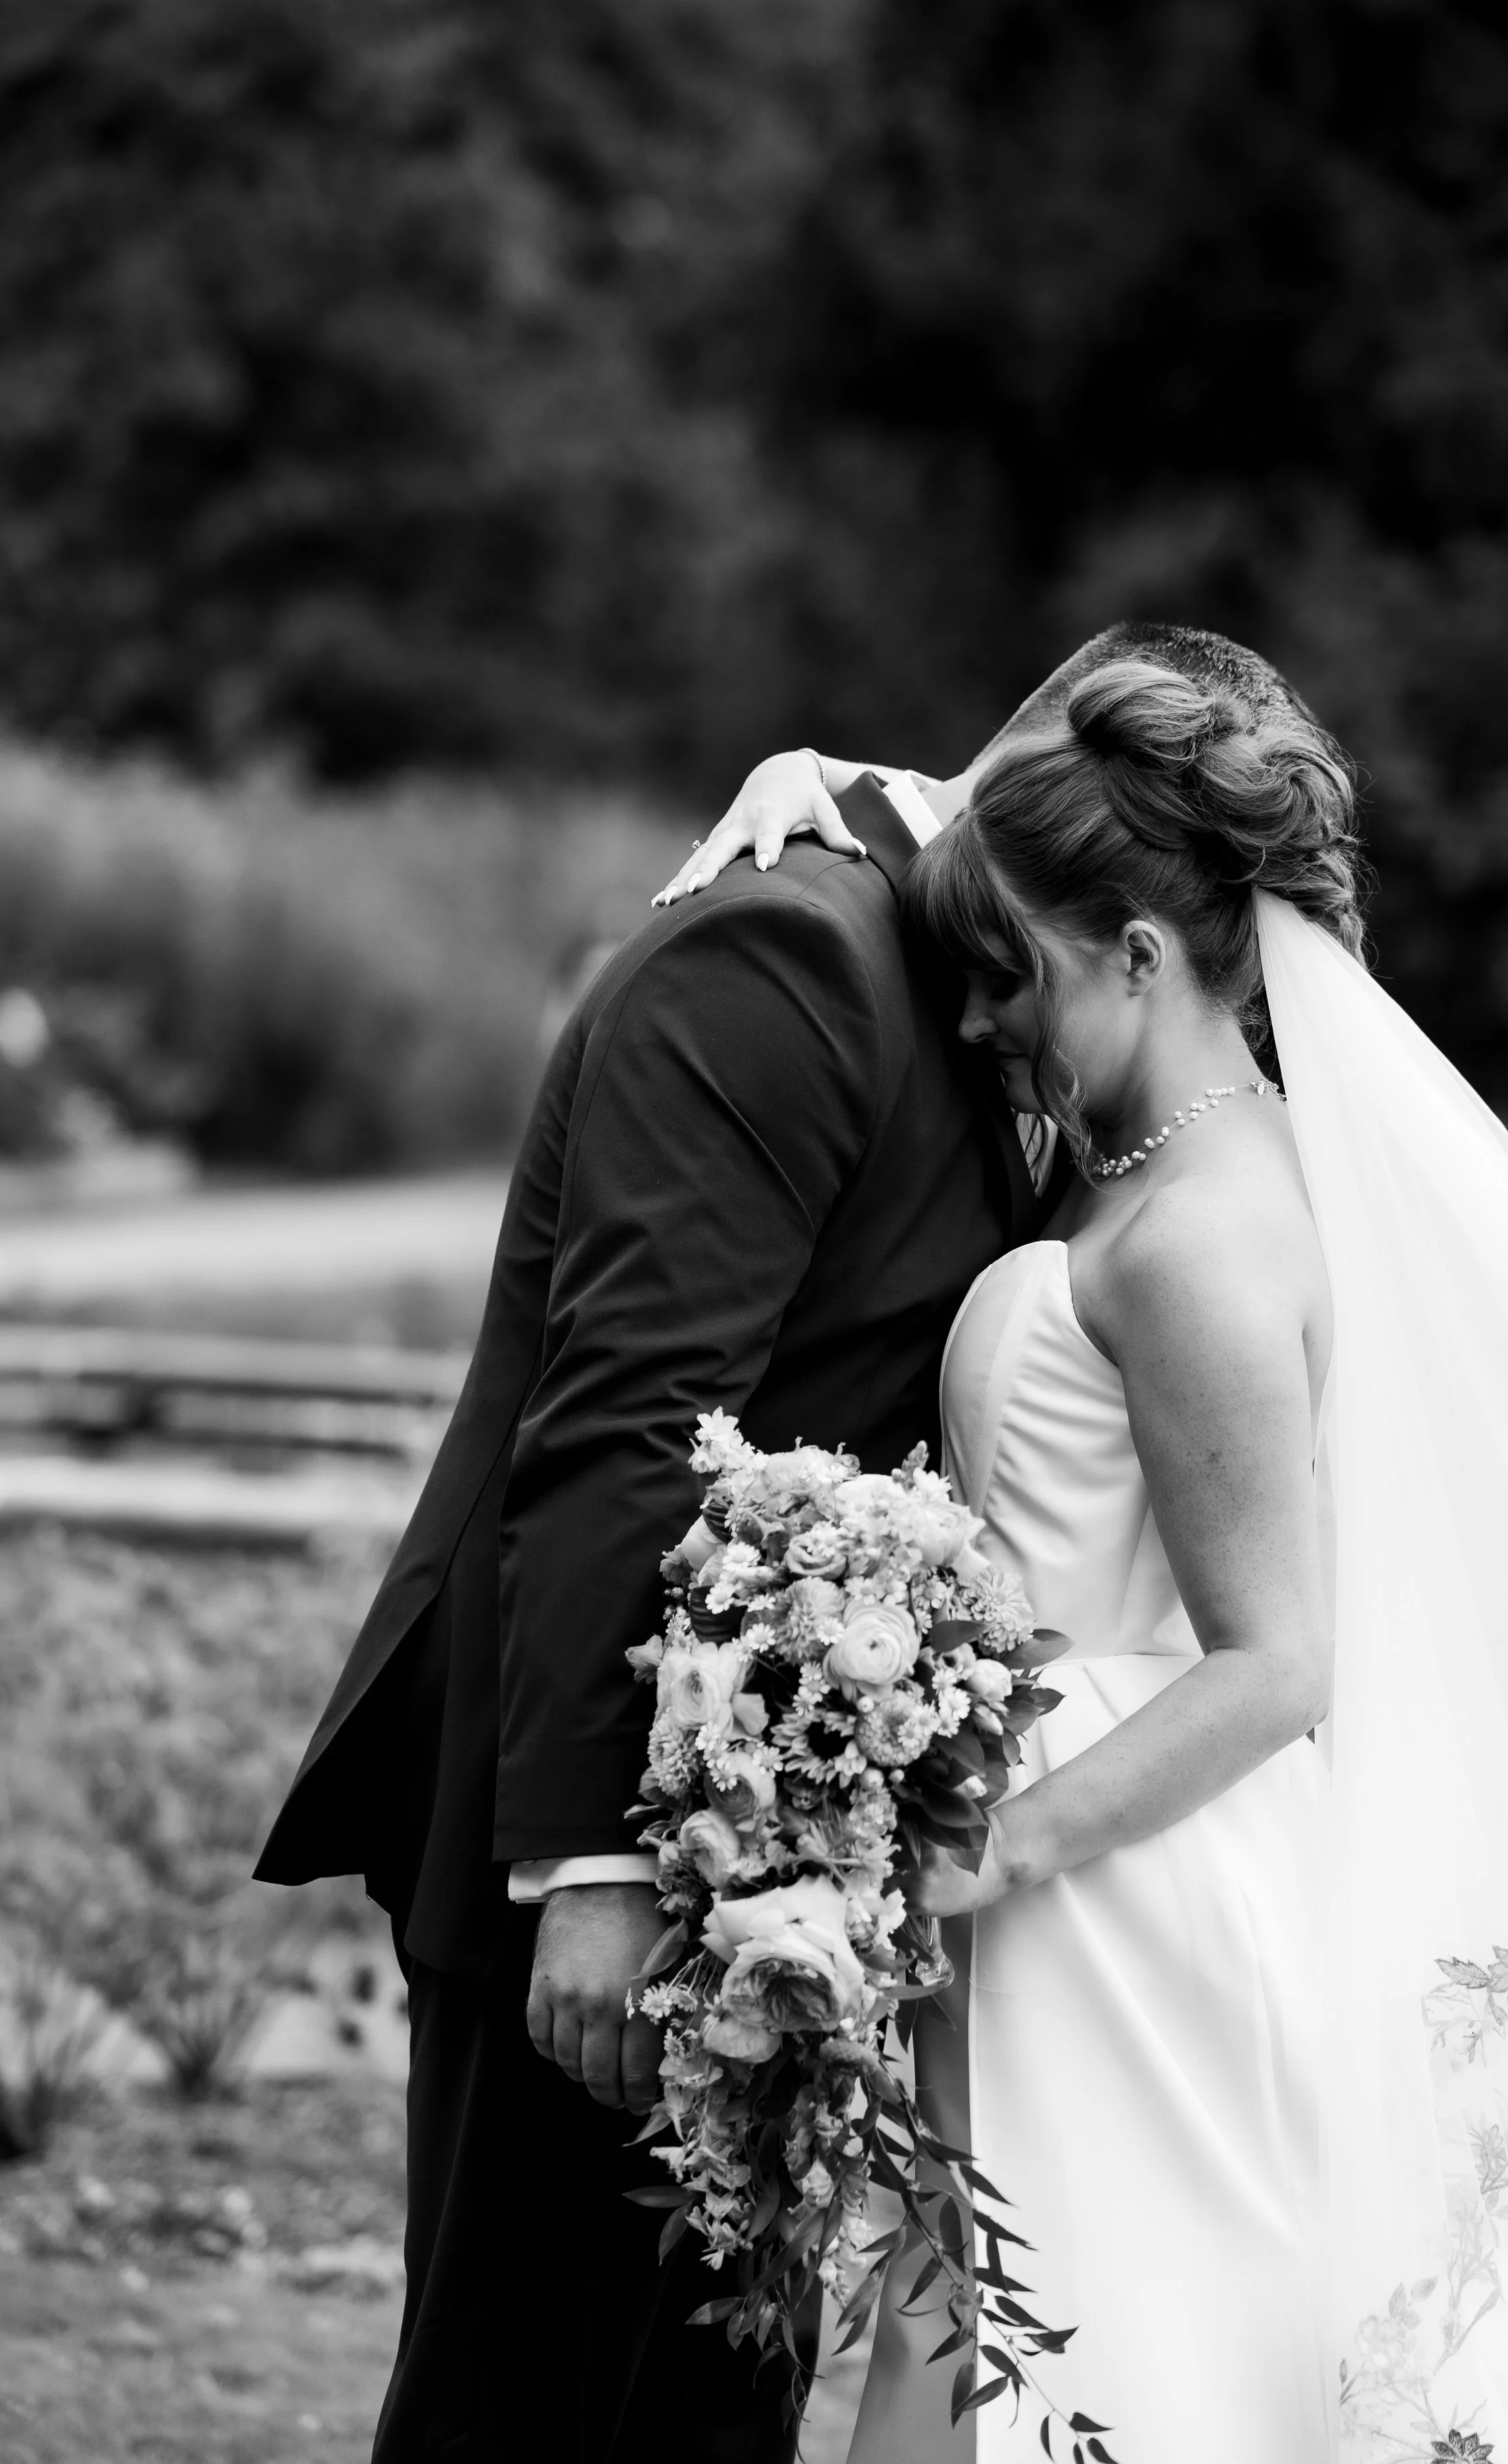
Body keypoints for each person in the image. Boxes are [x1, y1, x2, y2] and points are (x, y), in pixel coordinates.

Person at [690, 627, 1508, 2461]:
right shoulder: (1143, 1150)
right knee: (983, 2342)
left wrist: (998, 1848)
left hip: (1130, 1884)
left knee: (1113, 2356)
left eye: (1004, 983)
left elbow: (1278, 1662)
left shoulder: (1201, 1234)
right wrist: (846, 795)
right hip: (1061, 1857)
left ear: (1135, 953)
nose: (976, 1022)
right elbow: (1073, 767)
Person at [252, 689, 1071, 2461]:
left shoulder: (1064, 1018)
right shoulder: (787, 955)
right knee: (521, 2413)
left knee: (704, 2420)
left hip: (804, 1851)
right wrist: (608, 1866)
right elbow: (631, 1416)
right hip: (610, 1838)